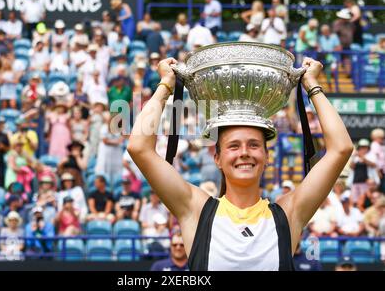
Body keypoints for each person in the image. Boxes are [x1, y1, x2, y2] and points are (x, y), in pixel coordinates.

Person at [127, 56, 353, 271]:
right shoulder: (195, 210)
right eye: (233, 146)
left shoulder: (288, 214)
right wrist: (165, 85)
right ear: (217, 159)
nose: (244, 153)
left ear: (266, 157)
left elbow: (341, 149)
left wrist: (312, 85)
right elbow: (139, 148)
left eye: (254, 145)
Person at [348, 139, 379, 204]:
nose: (363, 149)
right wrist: (354, 157)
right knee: (355, 200)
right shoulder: (355, 157)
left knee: (364, 200)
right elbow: (351, 167)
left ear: (368, 148)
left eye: (365, 147)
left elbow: (373, 165)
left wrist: (362, 157)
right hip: (355, 182)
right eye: (362, 147)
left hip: (367, 183)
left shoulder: (372, 155)